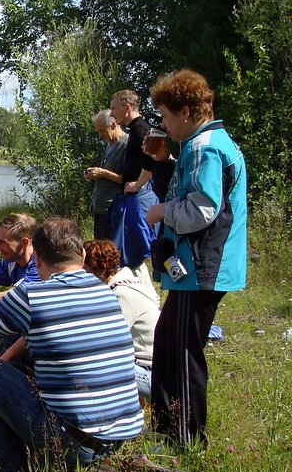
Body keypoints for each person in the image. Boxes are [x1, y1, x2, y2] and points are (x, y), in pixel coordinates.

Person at [0, 218, 144, 472]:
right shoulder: (106, 292)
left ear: (38, 258)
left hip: (71, 440)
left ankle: (2, 468)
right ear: (82, 254)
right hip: (121, 435)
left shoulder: (30, 296)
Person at [145, 69, 247, 449]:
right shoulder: (200, 145)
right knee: (167, 340)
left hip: (202, 267)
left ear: (186, 111)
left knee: (184, 353)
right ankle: (170, 433)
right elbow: (187, 187)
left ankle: (185, 440)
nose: (165, 125)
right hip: (194, 270)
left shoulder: (205, 147)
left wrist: (161, 213)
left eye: (167, 117)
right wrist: (163, 162)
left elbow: (203, 208)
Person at [84, 239, 159, 400]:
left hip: (152, 374)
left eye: (86, 271)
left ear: (101, 270)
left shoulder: (121, 294)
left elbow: (105, 342)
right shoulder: (123, 284)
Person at [85, 109, 128, 240]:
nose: (100, 135)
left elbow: (128, 180)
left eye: (102, 130)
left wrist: (103, 172)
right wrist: (94, 174)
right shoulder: (110, 145)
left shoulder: (126, 145)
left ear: (113, 125)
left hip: (112, 209)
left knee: (110, 252)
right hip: (100, 208)